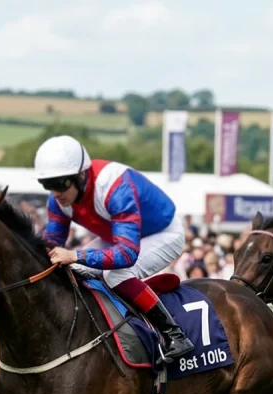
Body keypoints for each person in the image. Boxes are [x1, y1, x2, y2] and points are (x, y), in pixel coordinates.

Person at [34, 135, 193, 362]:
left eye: (61, 184)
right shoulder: (59, 200)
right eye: (48, 185)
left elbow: (127, 255)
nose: (56, 193)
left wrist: (75, 254)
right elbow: (50, 244)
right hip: (118, 236)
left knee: (116, 273)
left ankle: (174, 334)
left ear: (81, 176)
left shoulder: (114, 188)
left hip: (163, 233)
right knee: (76, 270)